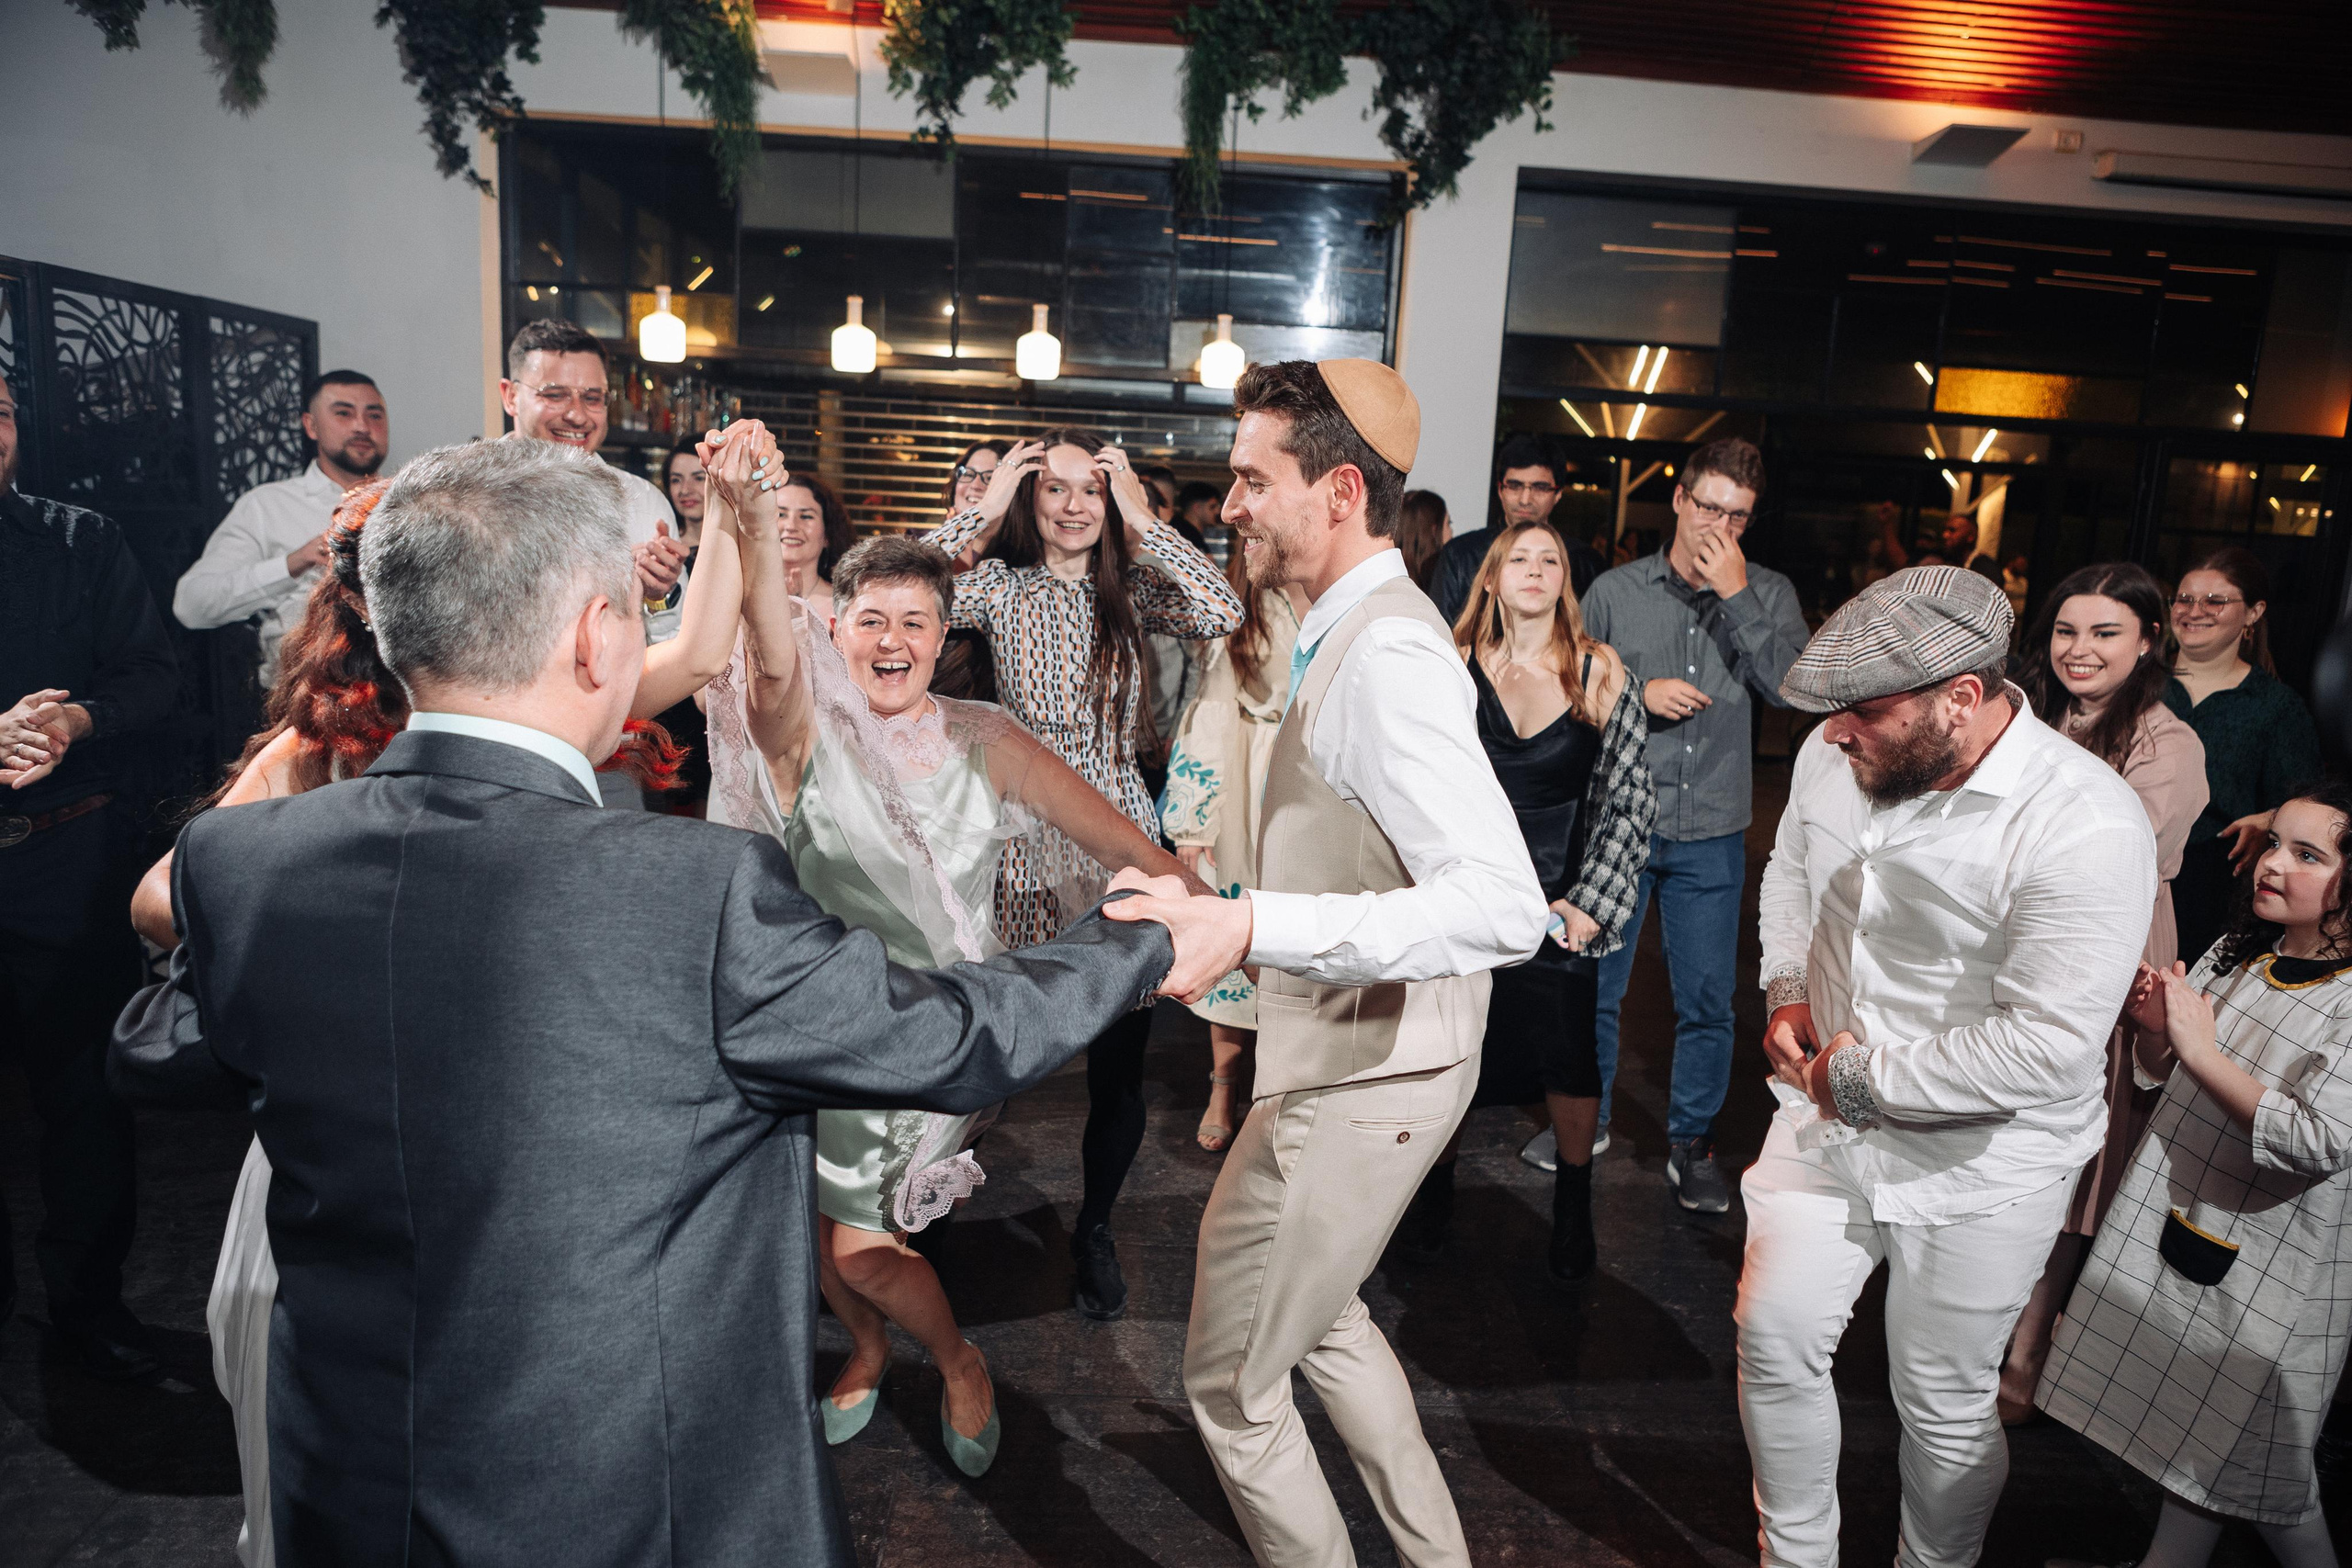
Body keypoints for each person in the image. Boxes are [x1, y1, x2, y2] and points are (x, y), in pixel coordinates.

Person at [107, 435, 1220, 1568]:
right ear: (598, 637)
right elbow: (951, 1037)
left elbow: (158, 1048)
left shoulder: (239, 869)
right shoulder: (693, 892)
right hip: (618, 1488)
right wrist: (1144, 937)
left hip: (342, 1471)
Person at [127, 429, 763, 1567]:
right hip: (345, 1118)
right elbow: (164, 895)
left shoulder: (530, 710)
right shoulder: (317, 746)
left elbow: (702, 646)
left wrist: (724, 512)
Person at [1103, 359, 1547, 1568]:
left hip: (1369, 1074)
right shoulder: (1345, 628)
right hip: (1360, 1052)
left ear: (1340, 489)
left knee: (1234, 1389)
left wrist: (1251, 926)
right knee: (1325, 1315)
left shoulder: (1389, 655)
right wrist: (1218, 896)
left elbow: (1503, 905)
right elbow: (1355, 849)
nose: (1229, 503)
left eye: (1254, 478)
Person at [712, 502, 1197, 1475]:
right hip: (815, 1024)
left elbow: (1125, 847)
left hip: (935, 1036)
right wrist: (745, 527)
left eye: (914, 623)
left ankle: (956, 1358)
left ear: (941, 637)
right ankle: (868, 1346)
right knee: (819, 1230)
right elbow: (766, 658)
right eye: (870, 621)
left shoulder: (987, 738)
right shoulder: (798, 737)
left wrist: (1205, 913)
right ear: (834, 627)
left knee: (857, 1246)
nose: (891, 642)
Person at [1745, 566, 2157, 1568]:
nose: (1834, 735)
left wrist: (1857, 1080)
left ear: (1960, 700)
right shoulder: (1829, 749)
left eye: (1864, 715)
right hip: (1822, 1128)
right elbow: (1793, 869)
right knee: (1772, 1335)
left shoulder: (2085, 820)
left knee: (1939, 1403)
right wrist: (1789, 984)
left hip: (1984, 1164)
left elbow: (2044, 1042)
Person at [925, 429, 1243, 1319]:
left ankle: (1096, 1228)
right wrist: (981, 516)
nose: (1070, 506)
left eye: (1088, 491)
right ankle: (935, 1217)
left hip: (1113, 834)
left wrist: (1144, 514)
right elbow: (889, 590)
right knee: (986, 1048)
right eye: (1051, 489)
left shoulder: (1131, 589)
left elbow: (1222, 612)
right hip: (1018, 827)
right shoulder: (998, 585)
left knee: (1119, 1062)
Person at [2039, 784, 2352, 1568]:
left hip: (2275, 1273)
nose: (2273, 864)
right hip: (2193, 1231)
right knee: (2205, 1443)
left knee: (2270, 1474)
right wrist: (2157, 1035)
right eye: (2274, 842)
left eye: (2307, 854)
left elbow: (2317, 1137)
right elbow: (2162, 1079)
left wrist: (2203, 1050)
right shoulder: (2240, 950)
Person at [1395, 518, 1655, 1281]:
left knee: (1569, 1061)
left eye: (1552, 557)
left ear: (1564, 581)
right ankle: (1432, 1192)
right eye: (1520, 558)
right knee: (1450, 1048)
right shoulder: (1453, 664)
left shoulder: (1598, 669)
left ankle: (1575, 1206)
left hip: (1559, 908)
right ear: (1493, 578)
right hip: (1466, 897)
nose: (1535, 569)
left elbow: (1631, 803)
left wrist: (1588, 904)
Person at [0, 374, 180, 1382]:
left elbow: (154, 677)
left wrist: (75, 721)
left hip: (66, 858)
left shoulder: (82, 540)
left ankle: (90, 1308)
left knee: (85, 1104)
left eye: (2, 412)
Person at [1999, 563, 2209, 1420]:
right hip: (2012, 941)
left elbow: (2105, 857)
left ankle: (2028, 1348)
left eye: (2104, 632)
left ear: (2150, 640)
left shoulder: (2169, 742)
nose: (2078, 650)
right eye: (2066, 631)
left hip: (2109, 955)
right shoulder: (2027, 716)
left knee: (2075, 1164)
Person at [1577, 435, 1809, 1203]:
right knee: (1596, 987)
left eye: (1738, 515)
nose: (1719, 525)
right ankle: (1589, 1118)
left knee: (1708, 998)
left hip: (1711, 822)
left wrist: (1738, 594)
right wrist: (1633, 695)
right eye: (1708, 505)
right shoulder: (1615, 589)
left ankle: (1692, 1141)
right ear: (1678, 499)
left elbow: (1793, 692)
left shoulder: (1768, 592)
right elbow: (1572, 687)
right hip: (1622, 818)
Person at [1159, 540, 1306, 1153]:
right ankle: (1222, 1084)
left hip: (1314, 786)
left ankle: (1279, 1093)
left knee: (1297, 947)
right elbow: (1213, 709)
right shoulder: (1241, 608)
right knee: (1237, 938)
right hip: (1250, 782)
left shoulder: (1336, 600)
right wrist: (1194, 819)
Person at [173, 369, 388, 689]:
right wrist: (296, 562)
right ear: (311, 426)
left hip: (408, 699)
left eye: (374, 415)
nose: (362, 426)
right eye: (343, 413)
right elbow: (192, 605)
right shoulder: (267, 505)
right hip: (305, 700)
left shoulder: (412, 501)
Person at [2165, 547, 2324, 968]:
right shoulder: (2138, 688)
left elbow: (2312, 805)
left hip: (2211, 888)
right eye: (2184, 598)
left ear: (2253, 613)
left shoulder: (2275, 707)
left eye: (2215, 601)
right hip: (2121, 867)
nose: (2194, 610)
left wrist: (2271, 817)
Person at [500, 318, 687, 633]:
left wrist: (655, 594)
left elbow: (673, 633)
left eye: (592, 398)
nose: (576, 415)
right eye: (555, 394)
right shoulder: (467, 494)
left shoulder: (641, 501)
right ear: (511, 397)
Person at [1428, 435, 1602, 623]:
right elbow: (1438, 634)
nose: (1525, 499)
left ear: (1558, 494)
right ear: (1500, 490)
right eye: (1515, 486)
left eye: (1540, 487)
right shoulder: (1461, 554)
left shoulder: (1583, 562)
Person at [772, 469, 856, 623]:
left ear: (828, 535)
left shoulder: (847, 605)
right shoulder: (737, 598)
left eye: (806, 516)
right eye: (781, 514)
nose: (791, 526)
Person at [1397, 488, 1449, 588]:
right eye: (1448, 524)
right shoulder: (1441, 587)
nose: (1452, 532)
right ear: (1434, 530)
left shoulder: (1386, 579)